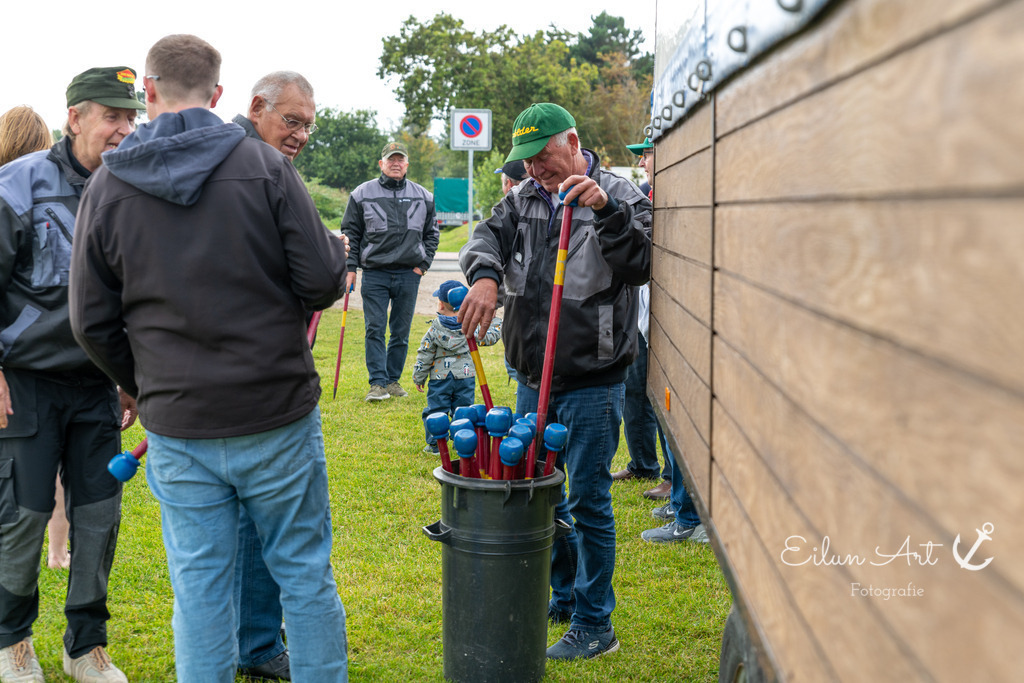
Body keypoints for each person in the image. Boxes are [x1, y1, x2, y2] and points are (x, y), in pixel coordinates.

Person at [69, 34, 349, 682]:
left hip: (183, 419)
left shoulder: (107, 187)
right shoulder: (263, 168)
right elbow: (321, 281)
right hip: (271, 410)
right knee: (305, 575)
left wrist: (141, 382)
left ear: (148, 90)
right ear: (220, 95)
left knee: (200, 592)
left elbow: (90, 319)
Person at [458, 103, 652, 660]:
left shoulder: (621, 192)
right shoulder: (521, 198)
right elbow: (484, 238)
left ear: (571, 141)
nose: (535, 171)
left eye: (543, 157)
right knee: (543, 495)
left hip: (592, 377)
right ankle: (563, 594)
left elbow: (641, 264)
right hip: (530, 375)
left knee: (588, 498)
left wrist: (609, 211)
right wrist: (487, 278)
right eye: (526, 161)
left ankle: (597, 624)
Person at [0, 68, 144, 683]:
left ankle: (85, 646)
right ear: (76, 117)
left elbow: (139, 294)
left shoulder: (134, 188)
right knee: (25, 516)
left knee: (98, 516)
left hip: (98, 385)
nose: (123, 129)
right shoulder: (16, 182)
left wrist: (131, 374)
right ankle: (11, 642)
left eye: (130, 117)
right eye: (111, 116)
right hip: (26, 380)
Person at [228, 69, 320, 682]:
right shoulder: (257, 166)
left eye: (309, 124)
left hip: (217, 376)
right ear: (256, 106)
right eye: (292, 120)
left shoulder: (246, 158)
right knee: (267, 519)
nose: (301, 134)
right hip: (257, 378)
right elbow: (315, 278)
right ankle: (257, 645)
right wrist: (329, 258)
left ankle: (249, 642)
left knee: (236, 521)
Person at [623, 136, 709, 543]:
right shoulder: (653, 195)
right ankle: (681, 502)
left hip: (681, 323)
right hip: (657, 319)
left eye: (648, 152)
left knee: (682, 417)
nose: (642, 160)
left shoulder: (684, 198)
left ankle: (691, 518)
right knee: (666, 409)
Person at [0, 105, 72, 572]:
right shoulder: (52, 191)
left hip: (18, 354)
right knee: (57, 465)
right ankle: (58, 550)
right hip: (48, 355)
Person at [342, 141, 438, 402]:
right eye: (390, 159)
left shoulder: (424, 196)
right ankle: (377, 383)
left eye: (400, 159)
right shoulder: (361, 193)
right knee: (374, 327)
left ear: (407, 164)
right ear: (381, 164)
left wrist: (423, 265)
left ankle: (393, 381)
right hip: (375, 272)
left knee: (401, 331)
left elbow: (432, 234)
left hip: (409, 273)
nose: (396, 163)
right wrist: (351, 268)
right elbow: (350, 233)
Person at [612, 137, 671, 499]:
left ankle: (671, 475)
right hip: (641, 305)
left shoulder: (676, 195)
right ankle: (642, 463)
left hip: (665, 312)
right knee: (635, 387)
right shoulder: (643, 194)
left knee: (663, 394)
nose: (643, 163)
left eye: (647, 155)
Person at [412, 280, 501, 453]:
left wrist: (419, 377)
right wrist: (495, 319)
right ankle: (462, 440)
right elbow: (490, 336)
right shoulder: (472, 327)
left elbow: (425, 354)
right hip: (465, 377)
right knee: (464, 410)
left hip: (440, 378)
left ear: (440, 305)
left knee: (437, 409)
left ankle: (435, 444)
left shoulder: (434, 330)